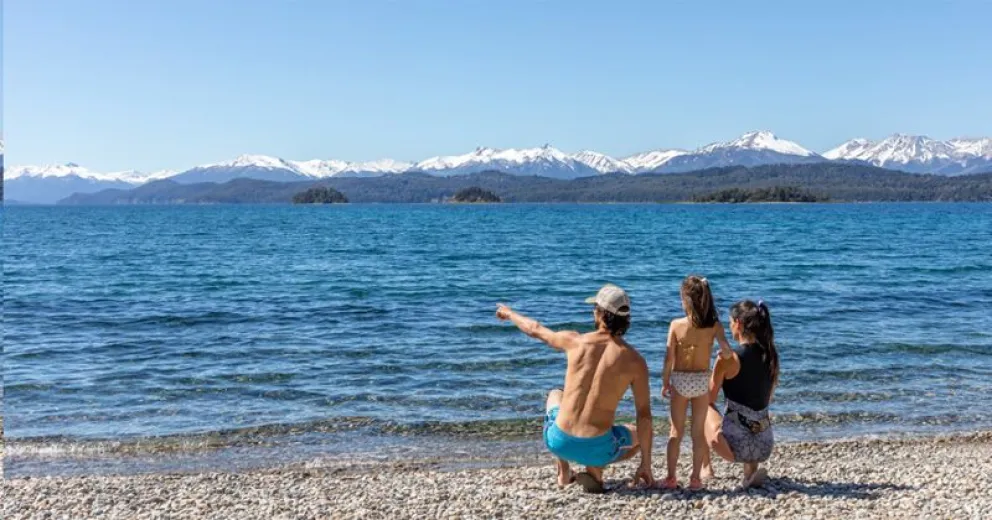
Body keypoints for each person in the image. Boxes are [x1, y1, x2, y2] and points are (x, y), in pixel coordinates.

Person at [495, 284, 655, 493]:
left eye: (594, 308)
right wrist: (646, 463)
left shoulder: (576, 341)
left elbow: (534, 329)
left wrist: (509, 313)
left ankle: (563, 470)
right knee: (633, 435)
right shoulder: (635, 361)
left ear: (600, 313)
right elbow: (644, 415)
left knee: (555, 394)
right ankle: (594, 470)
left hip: (558, 440)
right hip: (599, 448)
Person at [661, 275, 734, 491]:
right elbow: (726, 350)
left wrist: (665, 382)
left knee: (676, 432)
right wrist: (725, 354)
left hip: (680, 380)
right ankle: (695, 478)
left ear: (685, 300)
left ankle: (671, 478)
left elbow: (669, 359)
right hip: (701, 380)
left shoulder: (676, 325)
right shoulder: (714, 326)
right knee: (698, 432)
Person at [704, 299, 780, 488]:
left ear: (738, 323)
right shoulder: (771, 356)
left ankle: (705, 467)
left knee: (702, 405)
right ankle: (750, 471)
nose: (730, 328)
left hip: (732, 448)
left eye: (730, 323)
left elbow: (709, 398)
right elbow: (767, 397)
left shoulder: (729, 359)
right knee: (754, 413)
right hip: (764, 445)